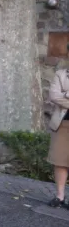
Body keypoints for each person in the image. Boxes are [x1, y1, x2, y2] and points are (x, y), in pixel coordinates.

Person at [47, 66, 69, 207]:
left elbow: (61, 96)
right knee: (60, 161)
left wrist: (65, 94)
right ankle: (60, 197)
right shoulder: (61, 74)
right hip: (63, 123)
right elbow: (54, 96)